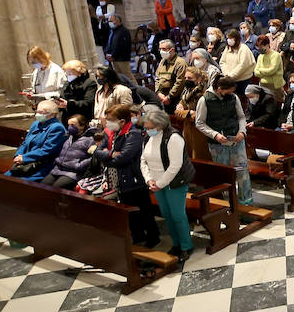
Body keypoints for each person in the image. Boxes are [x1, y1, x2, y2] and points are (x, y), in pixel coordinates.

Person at [95, 104, 159, 248]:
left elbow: (125, 157)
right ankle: (137, 236)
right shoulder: (110, 132)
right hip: (118, 179)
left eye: (110, 120)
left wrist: (107, 158)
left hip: (134, 179)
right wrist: (111, 154)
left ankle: (153, 237)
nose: (107, 122)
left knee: (144, 211)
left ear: (122, 121)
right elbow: (97, 152)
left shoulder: (133, 134)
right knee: (129, 212)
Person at [140, 109, 195, 266]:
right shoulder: (148, 137)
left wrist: (160, 183)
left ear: (160, 125)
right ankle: (176, 244)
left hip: (174, 182)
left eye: (150, 127)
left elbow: (175, 166)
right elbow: (143, 160)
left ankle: (186, 246)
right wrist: (149, 179)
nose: (147, 130)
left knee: (177, 215)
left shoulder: (173, 138)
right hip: (156, 182)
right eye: (146, 127)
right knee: (167, 214)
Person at [194, 75, 253, 205]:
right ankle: (226, 202)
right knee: (223, 173)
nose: (231, 93)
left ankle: (246, 201)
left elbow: (241, 117)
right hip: (217, 143)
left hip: (236, 139)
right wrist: (215, 135)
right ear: (220, 89)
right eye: (229, 91)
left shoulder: (234, 97)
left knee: (242, 170)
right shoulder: (205, 100)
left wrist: (242, 131)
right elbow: (199, 123)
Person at [7, 100, 67, 181]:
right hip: (26, 163)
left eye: (42, 113)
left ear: (53, 114)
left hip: (41, 165)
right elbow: (25, 143)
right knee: (4, 178)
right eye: (37, 111)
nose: (38, 115)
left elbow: (47, 150)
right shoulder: (36, 124)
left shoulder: (57, 128)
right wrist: (18, 155)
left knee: (15, 182)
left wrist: (25, 158)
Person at [40, 115, 94, 189]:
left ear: (82, 126)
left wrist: (79, 165)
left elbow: (94, 157)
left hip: (73, 173)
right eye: (69, 125)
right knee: (42, 186)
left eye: (73, 125)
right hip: (57, 169)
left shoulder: (89, 140)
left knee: (56, 188)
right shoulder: (68, 136)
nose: (70, 127)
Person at [219, 28, 257, 95]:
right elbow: (222, 62)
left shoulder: (243, 48)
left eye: (231, 38)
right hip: (230, 80)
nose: (228, 40)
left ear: (236, 38)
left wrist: (231, 76)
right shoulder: (227, 48)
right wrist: (226, 74)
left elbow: (242, 65)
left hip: (243, 81)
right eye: (227, 38)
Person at [103, 14, 133, 82]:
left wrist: (113, 55)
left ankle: (136, 88)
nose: (109, 23)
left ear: (117, 21)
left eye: (111, 21)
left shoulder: (124, 31)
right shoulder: (112, 31)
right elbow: (109, 43)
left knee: (128, 77)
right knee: (119, 78)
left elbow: (122, 46)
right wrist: (107, 53)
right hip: (114, 59)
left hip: (122, 58)